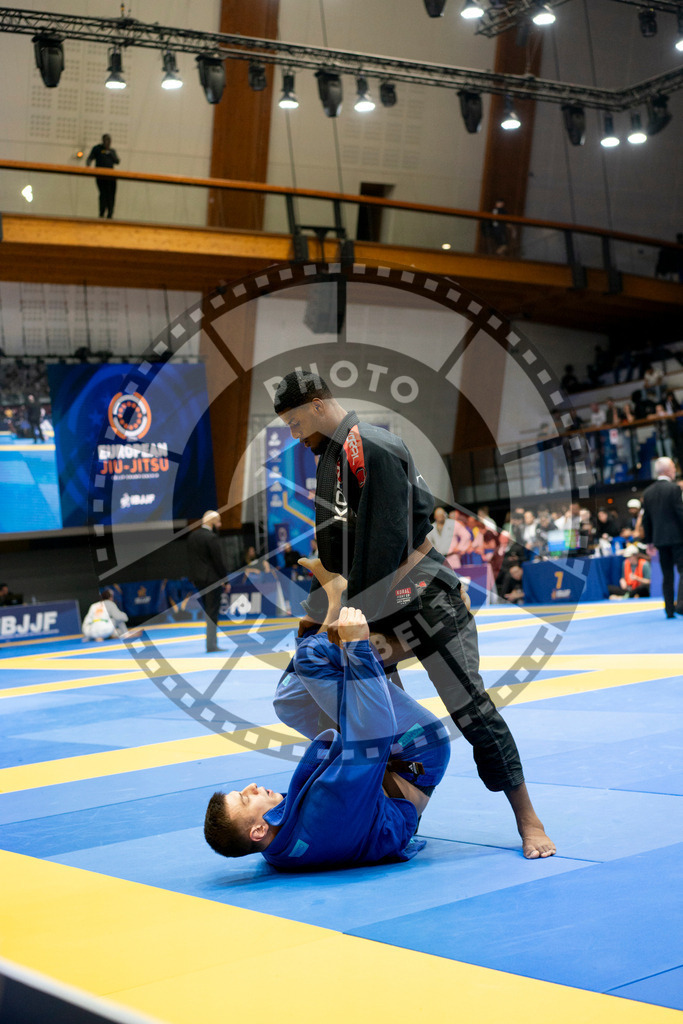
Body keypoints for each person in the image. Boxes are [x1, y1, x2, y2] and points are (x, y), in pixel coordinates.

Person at [271, 369, 555, 859]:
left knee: (470, 709)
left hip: (424, 600)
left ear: (318, 405)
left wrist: (345, 616)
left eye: (296, 423)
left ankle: (529, 819)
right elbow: (341, 544)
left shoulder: (371, 448)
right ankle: (394, 820)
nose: (296, 436)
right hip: (373, 605)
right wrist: (326, 600)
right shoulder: (332, 456)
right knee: (371, 719)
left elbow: (383, 543)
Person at [204, 606, 453, 869]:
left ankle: (326, 619)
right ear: (257, 831)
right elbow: (375, 734)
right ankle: (432, 632)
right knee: (313, 658)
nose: (251, 787)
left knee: (288, 703)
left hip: (381, 779)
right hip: (419, 750)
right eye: (245, 798)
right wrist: (357, 645)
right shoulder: (326, 808)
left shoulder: (277, 850)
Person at [641, 456, 683, 618]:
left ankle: (669, 610)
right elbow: (680, 513)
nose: (674, 471)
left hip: (659, 540)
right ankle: (681, 604)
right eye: (673, 467)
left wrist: (649, 542)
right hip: (677, 538)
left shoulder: (648, 492)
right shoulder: (674, 489)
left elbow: (646, 520)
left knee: (667, 575)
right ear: (667, 470)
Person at [187, 510, 228, 652]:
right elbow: (218, 561)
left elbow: (191, 560)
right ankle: (211, 644)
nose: (220, 524)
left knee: (207, 611)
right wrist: (226, 581)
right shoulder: (211, 538)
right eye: (218, 521)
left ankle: (211, 643)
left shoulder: (192, 536)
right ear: (212, 522)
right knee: (212, 612)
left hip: (198, 580)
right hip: (212, 579)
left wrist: (192, 577)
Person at [86, 134, 120, 218]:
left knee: (111, 195)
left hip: (111, 177)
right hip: (101, 177)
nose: (107, 142)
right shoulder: (97, 149)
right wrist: (88, 165)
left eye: (109, 141)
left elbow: (117, 161)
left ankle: (110, 213)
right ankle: (101, 213)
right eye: (106, 140)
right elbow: (90, 158)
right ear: (103, 140)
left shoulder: (112, 151)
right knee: (103, 194)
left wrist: (109, 152)